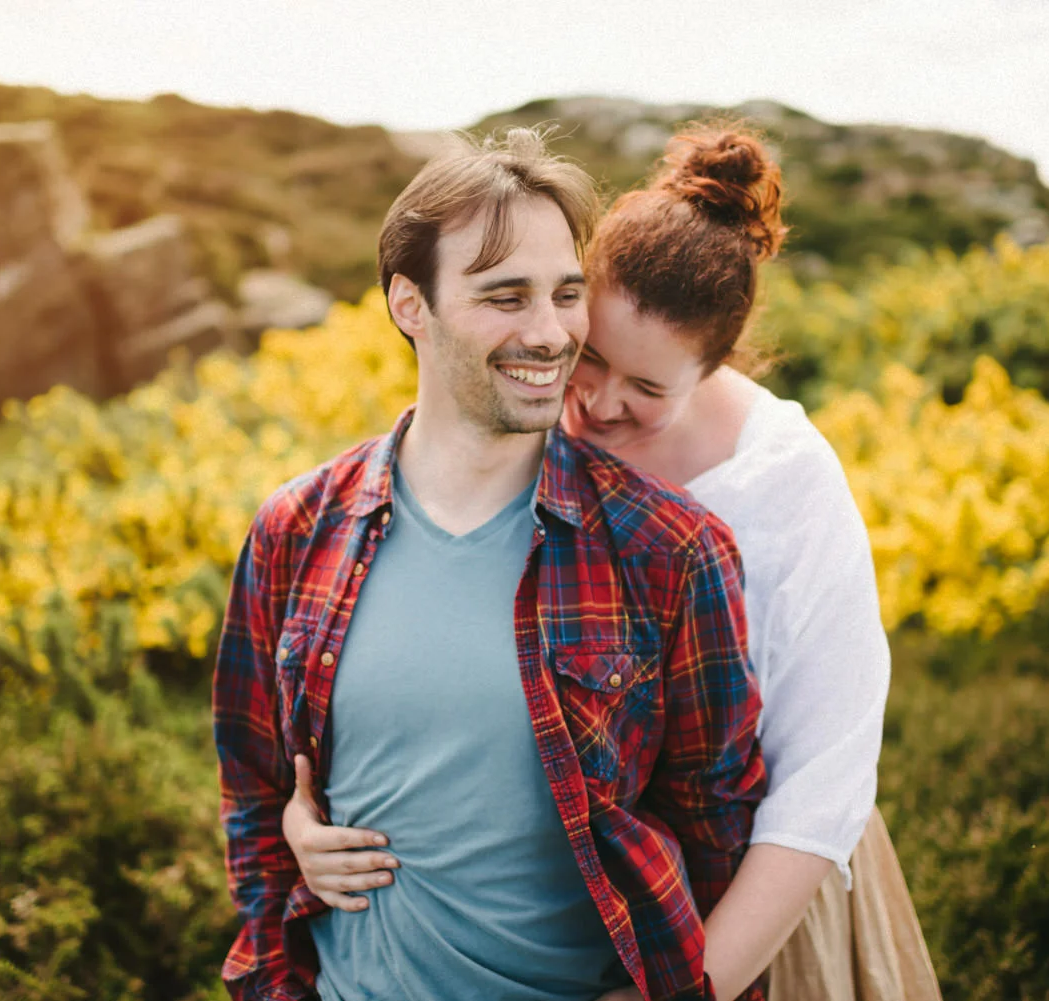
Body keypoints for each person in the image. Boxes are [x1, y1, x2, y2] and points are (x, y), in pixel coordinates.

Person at [282, 123, 942, 1001]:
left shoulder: (779, 482)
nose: (594, 399)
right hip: (586, 900)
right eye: (590, 354)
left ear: (711, 371)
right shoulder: (532, 409)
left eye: (648, 391)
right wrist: (306, 813)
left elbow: (825, 778)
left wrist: (693, 982)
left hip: (760, 894)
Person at [214, 127, 768, 1001]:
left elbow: (716, 838)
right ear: (410, 305)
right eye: (506, 296)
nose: (550, 334)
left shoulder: (669, 552)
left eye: (566, 294)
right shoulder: (297, 530)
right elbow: (253, 798)